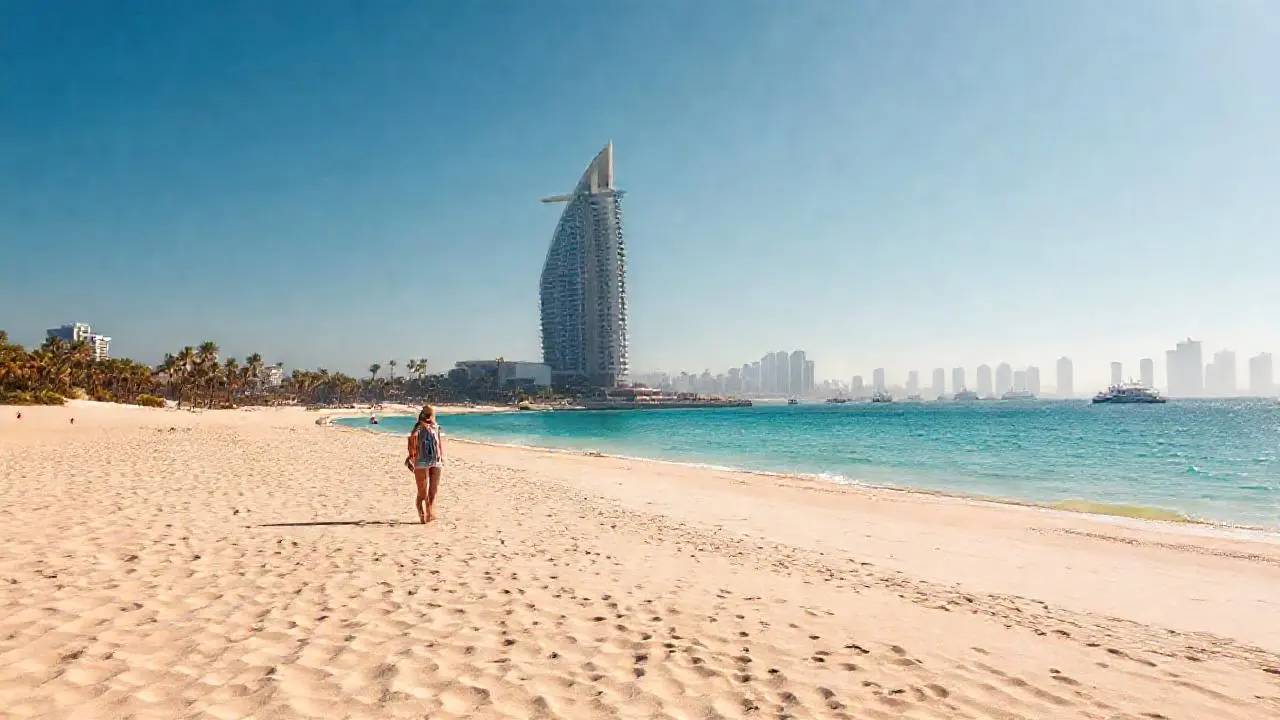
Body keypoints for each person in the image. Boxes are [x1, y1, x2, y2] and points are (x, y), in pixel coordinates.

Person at [404, 406, 444, 523]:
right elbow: (411, 441)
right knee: (423, 492)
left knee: (433, 490)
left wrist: (442, 456)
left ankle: (430, 512)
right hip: (421, 461)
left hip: (436, 460)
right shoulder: (418, 428)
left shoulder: (437, 427)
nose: (433, 417)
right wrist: (411, 457)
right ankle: (421, 511)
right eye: (432, 414)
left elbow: (439, 443)